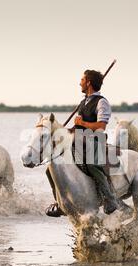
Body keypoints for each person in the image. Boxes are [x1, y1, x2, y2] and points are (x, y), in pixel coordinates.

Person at [45, 69, 119, 217]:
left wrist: (83, 122)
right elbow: (77, 127)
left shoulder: (102, 102)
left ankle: (109, 199)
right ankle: (60, 203)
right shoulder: (83, 102)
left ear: (89, 82)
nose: (80, 83)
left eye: (82, 80)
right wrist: (65, 131)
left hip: (94, 141)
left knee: (92, 165)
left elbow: (100, 126)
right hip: (77, 141)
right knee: (50, 168)